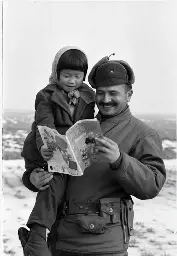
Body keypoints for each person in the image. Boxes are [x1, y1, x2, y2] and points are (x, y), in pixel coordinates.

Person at [20, 55, 166, 256]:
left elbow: (152, 185)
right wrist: (32, 179)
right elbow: (42, 165)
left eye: (113, 93)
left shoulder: (142, 134)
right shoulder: (78, 126)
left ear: (129, 94)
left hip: (104, 246)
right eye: (101, 93)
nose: (106, 100)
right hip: (59, 242)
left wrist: (120, 160)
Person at [18, 46, 95, 256]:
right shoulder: (46, 95)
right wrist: (46, 146)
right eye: (66, 75)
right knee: (54, 183)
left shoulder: (89, 95)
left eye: (77, 76)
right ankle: (37, 235)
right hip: (50, 148)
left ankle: (40, 237)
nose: (72, 81)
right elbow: (44, 123)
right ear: (56, 73)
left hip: (76, 150)